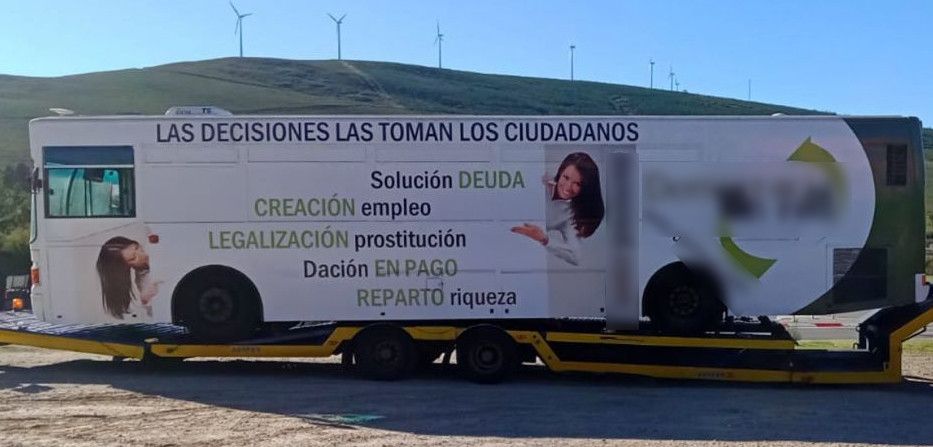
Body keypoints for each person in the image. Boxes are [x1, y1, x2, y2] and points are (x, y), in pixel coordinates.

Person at [511, 152, 605, 266]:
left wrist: (544, 239)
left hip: (516, 249)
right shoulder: (540, 177)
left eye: (577, 184)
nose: (568, 186)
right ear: (560, 172)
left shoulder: (569, 216)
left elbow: (576, 257)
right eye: (566, 177)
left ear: (585, 188)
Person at [96, 236, 158, 318]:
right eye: (133, 258)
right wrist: (147, 300)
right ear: (125, 268)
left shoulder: (153, 245)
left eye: (137, 247)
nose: (143, 254)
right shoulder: (143, 283)